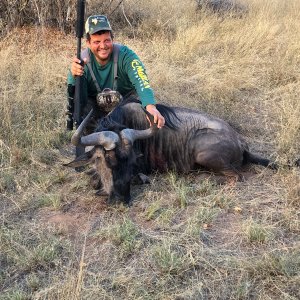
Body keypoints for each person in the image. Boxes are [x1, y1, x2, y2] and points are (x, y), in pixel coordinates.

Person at [67, 14, 165, 135]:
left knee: (139, 111)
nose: (103, 46)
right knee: (84, 109)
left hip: (126, 105)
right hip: (96, 108)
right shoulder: (81, 61)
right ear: (88, 42)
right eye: (97, 42)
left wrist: (150, 106)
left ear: (112, 39)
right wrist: (73, 75)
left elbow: (141, 81)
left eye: (107, 40)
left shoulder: (126, 55)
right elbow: (77, 98)